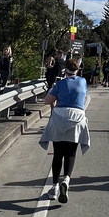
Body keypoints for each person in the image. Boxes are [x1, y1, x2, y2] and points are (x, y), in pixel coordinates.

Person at [39, 59, 90, 204]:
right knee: (71, 152)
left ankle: (54, 187)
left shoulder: (59, 84)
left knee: (58, 154)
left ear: (65, 71)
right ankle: (66, 180)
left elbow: (47, 101)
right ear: (78, 70)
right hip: (77, 117)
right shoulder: (83, 82)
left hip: (60, 115)